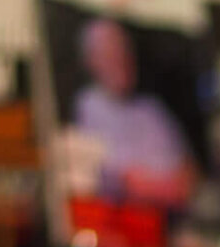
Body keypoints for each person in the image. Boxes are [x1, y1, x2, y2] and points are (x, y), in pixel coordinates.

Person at [72, 17, 198, 212]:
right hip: (121, 227)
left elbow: (189, 177)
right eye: (110, 51)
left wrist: (155, 185)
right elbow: (123, 183)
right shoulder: (86, 107)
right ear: (91, 61)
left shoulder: (152, 110)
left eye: (124, 49)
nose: (121, 58)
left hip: (171, 224)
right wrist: (163, 186)